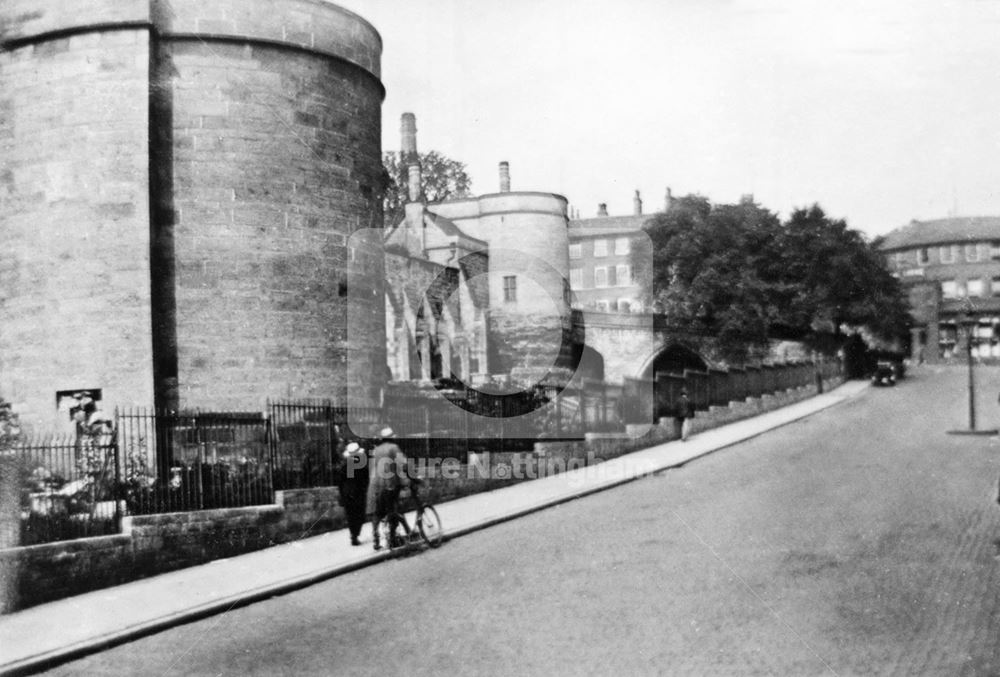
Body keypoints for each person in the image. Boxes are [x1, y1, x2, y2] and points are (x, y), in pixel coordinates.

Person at [368, 427, 409, 550]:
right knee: (393, 510)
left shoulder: (376, 450)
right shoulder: (393, 448)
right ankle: (392, 539)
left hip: (375, 483)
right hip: (389, 483)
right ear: (391, 437)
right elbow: (403, 464)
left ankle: (376, 539)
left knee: (378, 512)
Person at [336, 442, 369, 546]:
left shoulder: (345, 465)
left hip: (347, 493)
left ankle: (353, 534)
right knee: (360, 515)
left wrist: (342, 494)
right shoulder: (361, 465)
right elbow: (364, 480)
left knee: (351, 515)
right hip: (358, 493)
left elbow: (340, 482)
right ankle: (355, 534)